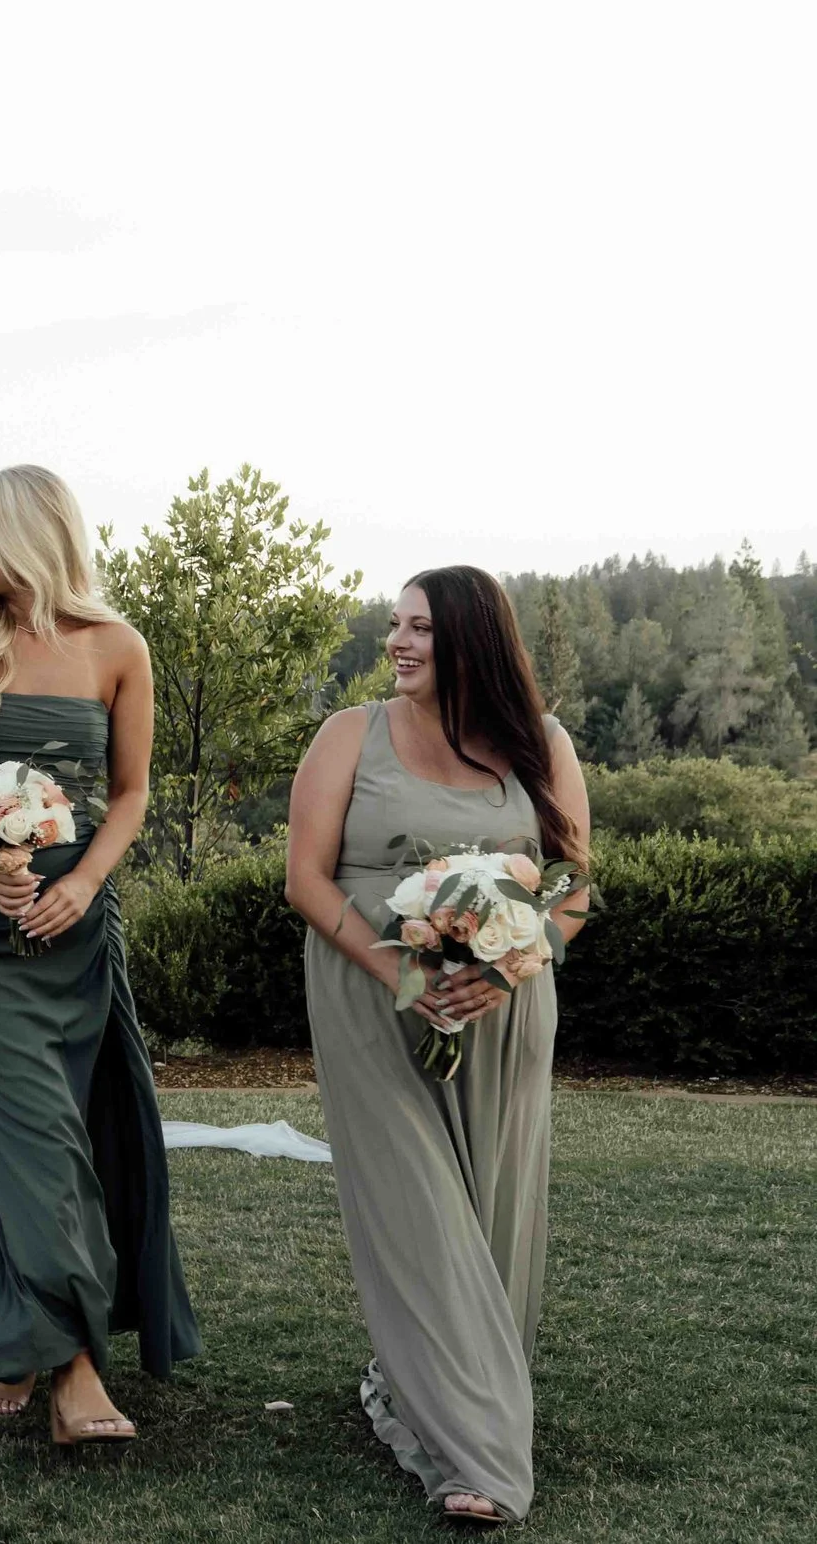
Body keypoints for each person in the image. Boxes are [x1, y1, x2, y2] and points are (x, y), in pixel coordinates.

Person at [0, 464, 200, 1445]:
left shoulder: (118, 647)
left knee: (53, 1130)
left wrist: (84, 885)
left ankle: (25, 1331)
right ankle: (74, 1370)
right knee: (35, 1131)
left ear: (30, 535)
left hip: (76, 926)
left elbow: (131, 792)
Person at [285, 566, 590, 1525]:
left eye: (420, 626)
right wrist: (406, 978)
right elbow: (306, 879)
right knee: (413, 1203)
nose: (398, 642)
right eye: (395, 624)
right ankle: (475, 1453)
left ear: (471, 639)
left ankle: (438, 1386)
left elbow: (573, 889)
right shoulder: (350, 735)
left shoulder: (542, 743)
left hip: (505, 1009)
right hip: (372, 999)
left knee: (490, 1209)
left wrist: (504, 970)